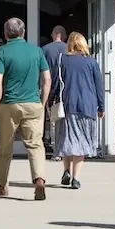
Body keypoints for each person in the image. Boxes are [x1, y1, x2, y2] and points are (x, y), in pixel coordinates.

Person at [0, 17, 51, 200]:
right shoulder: (36, 51)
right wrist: (42, 101)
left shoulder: (1, 52)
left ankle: (2, 186)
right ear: (23, 32)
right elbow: (47, 79)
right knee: (36, 145)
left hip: (9, 104)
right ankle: (39, 179)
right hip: (33, 103)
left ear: (6, 33)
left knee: (4, 147)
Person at [54, 31, 103, 188]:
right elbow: (99, 87)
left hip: (67, 104)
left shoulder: (62, 60)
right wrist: (101, 106)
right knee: (81, 142)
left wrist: (50, 101)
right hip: (86, 106)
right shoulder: (91, 62)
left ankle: (66, 170)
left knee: (67, 139)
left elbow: (56, 82)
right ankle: (76, 177)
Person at [42, 24, 67, 157]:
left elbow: (41, 71)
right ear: (64, 36)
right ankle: (63, 148)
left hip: (50, 88)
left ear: (53, 34)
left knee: (52, 119)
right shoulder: (70, 49)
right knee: (65, 120)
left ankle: (54, 147)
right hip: (67, 90)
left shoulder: (45, 49)